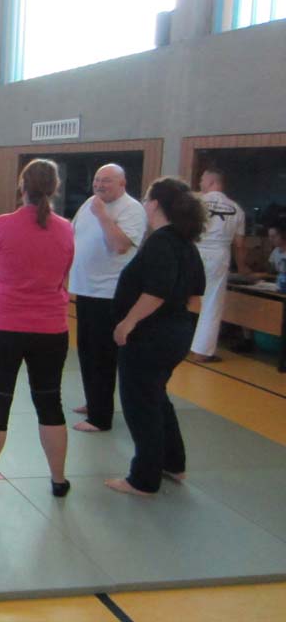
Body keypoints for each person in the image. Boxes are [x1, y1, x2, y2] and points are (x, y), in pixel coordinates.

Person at [0, 159, 74, 500]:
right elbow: (64, 270)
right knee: (50, 402)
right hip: (51, 328)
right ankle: (58, 480)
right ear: (54, 188)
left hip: (4, 326)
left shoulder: (3, 224)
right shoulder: (66, 228)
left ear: (22, 186)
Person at [106, 177, 207, 496]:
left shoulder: (162, 242)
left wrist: (128, 323)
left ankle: (144, 478)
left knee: (140, 404)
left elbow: (156, 292)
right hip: (175, 332)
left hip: (150, 336)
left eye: (146, 199)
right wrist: (185, 327)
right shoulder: (185, 242)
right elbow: (195, 296)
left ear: (154, 205)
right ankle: (172, 462)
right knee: (156, 397)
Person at [67, 164, 146, 433]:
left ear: (122, 184)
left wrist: (102, 215)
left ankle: (101, 417)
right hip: (86, 289)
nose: (99, 185)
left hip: (109, 293)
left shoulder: (131, 209)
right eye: (97, 180)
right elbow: (73, 234)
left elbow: (120, 245)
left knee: (102, 355)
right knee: (86, 350)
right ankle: (93, 401)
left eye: (107, 181)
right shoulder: (90, 203)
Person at [189, 169, 249, 363]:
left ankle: (172, 343)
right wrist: (242, 268)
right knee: (211, 304)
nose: (200, 183)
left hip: (194, 251)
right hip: (219, 256)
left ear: (212, 182)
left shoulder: (195, 203)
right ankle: (201, 352)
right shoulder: (236, 209)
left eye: (202, 179)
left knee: (178, 297)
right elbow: (239, 244)